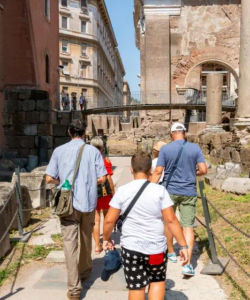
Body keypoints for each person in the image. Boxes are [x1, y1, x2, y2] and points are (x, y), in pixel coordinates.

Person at [103, 152, 189, 300]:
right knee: (156, 281)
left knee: (136, 287)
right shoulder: (159, 191)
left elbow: (109, 220)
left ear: (131, 169)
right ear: (150, 170)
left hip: (131, 248)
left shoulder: (123, 191)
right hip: (155, 248)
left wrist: (106, 238)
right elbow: (171, 220)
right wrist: (183, 245)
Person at [45, 120, 107, 300]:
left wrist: (63, 183)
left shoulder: (59, 151)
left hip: (67, 204)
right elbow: (102, 178)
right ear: (84, 132)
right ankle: (85, 271)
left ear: (69, 132)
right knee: (86, 239)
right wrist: (87, 184)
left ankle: (74, 289)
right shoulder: (93, 151)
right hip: (87, 203)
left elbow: (49, 178)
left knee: (69, 244)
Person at [151, 122, 207, 276]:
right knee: (187, 226)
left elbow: (158, 171)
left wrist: (147, 188)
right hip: (189, 191)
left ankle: (170, 252)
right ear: (184, 132)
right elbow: (203, 169)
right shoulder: (195, 148)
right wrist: (192, 173)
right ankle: (188, 264)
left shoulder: (165, 149)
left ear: (171, 134)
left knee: (169, 223)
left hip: (170, 191)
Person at [90, 136, 115, 254]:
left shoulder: (88, 160)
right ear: (101, 147)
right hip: (104, 192)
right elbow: (109, 178)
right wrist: (113, 192)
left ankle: (97, 245)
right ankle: (107, 239)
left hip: (92, 191)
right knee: (107, 217)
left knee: (96, 220)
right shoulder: (105, 160)